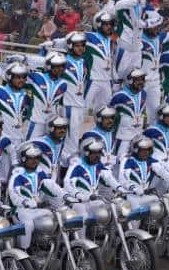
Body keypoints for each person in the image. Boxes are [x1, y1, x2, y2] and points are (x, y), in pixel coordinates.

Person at [8, 143, 74, 249]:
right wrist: (25, 201)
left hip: (36, 209)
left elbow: (51, 186)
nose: (35, 160)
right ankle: (24, 253)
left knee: (56, 217)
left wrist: (65, 195)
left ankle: (52, 246)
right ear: (24, 158)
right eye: (31, 158)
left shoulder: (39, 173)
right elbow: (14, 194)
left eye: (37, 158)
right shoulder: (17, 175)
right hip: (20, 211)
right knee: (28, 225)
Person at [119, 136, 169, 212]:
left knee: (161, 210)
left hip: (147, 194)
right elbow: (123, 178)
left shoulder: (151, 161)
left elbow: (162, 171)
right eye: (143, 150)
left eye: (148, 150)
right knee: (136, 219)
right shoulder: (127, 160)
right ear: (136, 149)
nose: (146, 152)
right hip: (131, 195)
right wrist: (134, 188)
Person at [114, 0, 155, 75]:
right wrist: (135, 1)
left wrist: (146, 21)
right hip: (124, 45)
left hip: (137, 47)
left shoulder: (143, 4)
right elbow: (118, 6)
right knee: (120, 75)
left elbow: (156, 17)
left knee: (135, 75)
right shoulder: (122, 2)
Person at [0, 62, 31, 149]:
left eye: (23, 77)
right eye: (18, 77)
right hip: (2, 140)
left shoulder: (27, 96)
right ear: (10, 77)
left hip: (20, 140)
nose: (21, 80)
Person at [62, 32, 90, 161]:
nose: (80, 48)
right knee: (70, 138)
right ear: (70, 46)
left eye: (82, 45)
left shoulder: (83, 61)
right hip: (69, 105)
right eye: (76, 45)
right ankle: (67, 166)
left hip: (79, 105)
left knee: (75, 135)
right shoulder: (64, 61)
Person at [26, 52, 68, 139]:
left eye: (62, 66)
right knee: (31, 147)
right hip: (36, 121)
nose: (60, 69)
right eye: (57, 66)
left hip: (52, 122)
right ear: (49, 66)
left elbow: (60, 104)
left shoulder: (63, 83)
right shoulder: (37, 77)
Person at [109, 69, 148, 157]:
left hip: (138, 133)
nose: (141, 82)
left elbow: (143, 110)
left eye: (142, 79)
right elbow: (110, 114)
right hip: (123, 136)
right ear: (130, 80)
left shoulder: (144, 94)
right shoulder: (119, 96)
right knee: (120, 159)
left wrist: (145, 120)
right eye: (138, 80)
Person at [85, 12, 118, 111]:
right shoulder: (90, 36)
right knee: (83, 108)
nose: (109, 27)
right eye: (106, 24)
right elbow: (71, 39)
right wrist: (55, 42)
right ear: (99, 25)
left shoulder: (113, 39)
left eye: (110, 24)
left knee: (104, 111)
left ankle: (97, 127)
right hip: (93, 79)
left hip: (107, 81)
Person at [140, 11, 168, 124]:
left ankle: (153, 138)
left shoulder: (159, 37)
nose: (156, 28)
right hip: (140, 82)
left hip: (155, 82)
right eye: (154, 26)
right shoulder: (138, 39)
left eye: (158, 26)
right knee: (136, 113)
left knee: (155, 113)